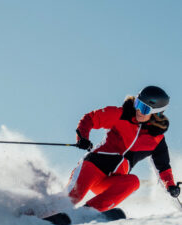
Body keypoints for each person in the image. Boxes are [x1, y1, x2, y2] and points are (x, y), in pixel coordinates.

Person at [67, 85, 180, 213]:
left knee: (133, 182)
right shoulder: (121, 114)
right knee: (71, 199)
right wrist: (83, 138)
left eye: (144, 108)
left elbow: (163, 167)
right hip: (92, 167)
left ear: (156, 113)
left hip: (110, 181)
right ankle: (48, 212)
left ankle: (89, 212)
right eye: (138, 103)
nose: (138, 110)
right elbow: (90, 118)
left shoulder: (156, 139)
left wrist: (170, 186)